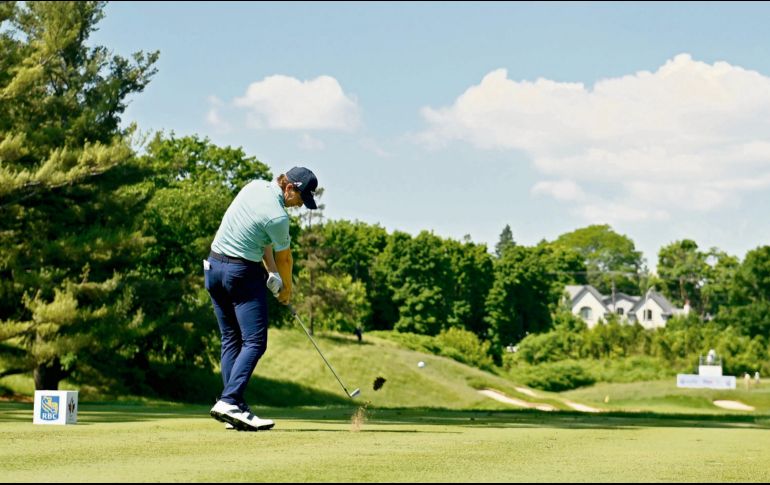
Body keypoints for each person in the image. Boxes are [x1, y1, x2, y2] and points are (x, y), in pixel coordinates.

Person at [205, 167, 318, 431]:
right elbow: (285, 257)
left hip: (213, 269)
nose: (300, 204)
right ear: (289, 188)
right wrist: (286, 290)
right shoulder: (279, 217)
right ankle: (230, 400)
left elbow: (260, 237)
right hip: (240, 273)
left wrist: (272, 273)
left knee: (231, 339)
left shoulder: (254, 186)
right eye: (300, 198)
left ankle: (234, 408)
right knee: (255, 341)